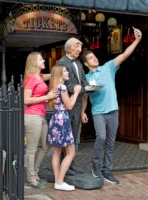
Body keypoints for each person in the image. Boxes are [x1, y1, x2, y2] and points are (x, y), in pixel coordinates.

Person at [81, 27, 142, 184]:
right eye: (91, 58)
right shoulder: (86, 78)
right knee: (101, 137)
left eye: (94, 56)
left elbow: (124, 55)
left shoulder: (108, 67)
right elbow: (85, 97)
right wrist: (82, 112)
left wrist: (136, 40)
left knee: (110, 142)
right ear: (86, 64)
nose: (94, 59)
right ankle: (95, 166)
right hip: (98, 112)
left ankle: (107, 170)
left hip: (113, 111)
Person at [24, 52, 58, 188]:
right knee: (31, 149)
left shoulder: (40, 76)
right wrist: (47, 96)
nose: (44, 60)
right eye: (41, 59)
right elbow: (26, 100)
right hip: (32, 116)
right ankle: (31, 177)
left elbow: (54, 75)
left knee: (45, 146)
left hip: (40, 116)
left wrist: (62, 69)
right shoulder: (31, 78)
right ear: (34, 62)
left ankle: (34, 172)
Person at [46, 65, 81, 191]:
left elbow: (64, 104)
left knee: (57, 152)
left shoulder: (54, 87)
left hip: (56, 119)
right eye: (65, 71)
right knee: (71, 152)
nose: (67, 72)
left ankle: (57, 181)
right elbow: (70, 106)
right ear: (60, 73)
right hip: (63, 121)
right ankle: (60, 181)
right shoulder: (63, 87)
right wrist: (76, 93)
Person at [57, 37, 89, 175]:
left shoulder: (80, 64)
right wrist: (83, 88)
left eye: (81, 48)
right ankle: (65, 165)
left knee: (74, 135)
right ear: (69, 48)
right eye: (77, 47)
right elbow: (68, 86)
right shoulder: (62, 62)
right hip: (66, 104)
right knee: (66, 137)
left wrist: (86, 87)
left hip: (77, 105)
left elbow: (83, 81)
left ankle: (71, 164)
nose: (80, 50)